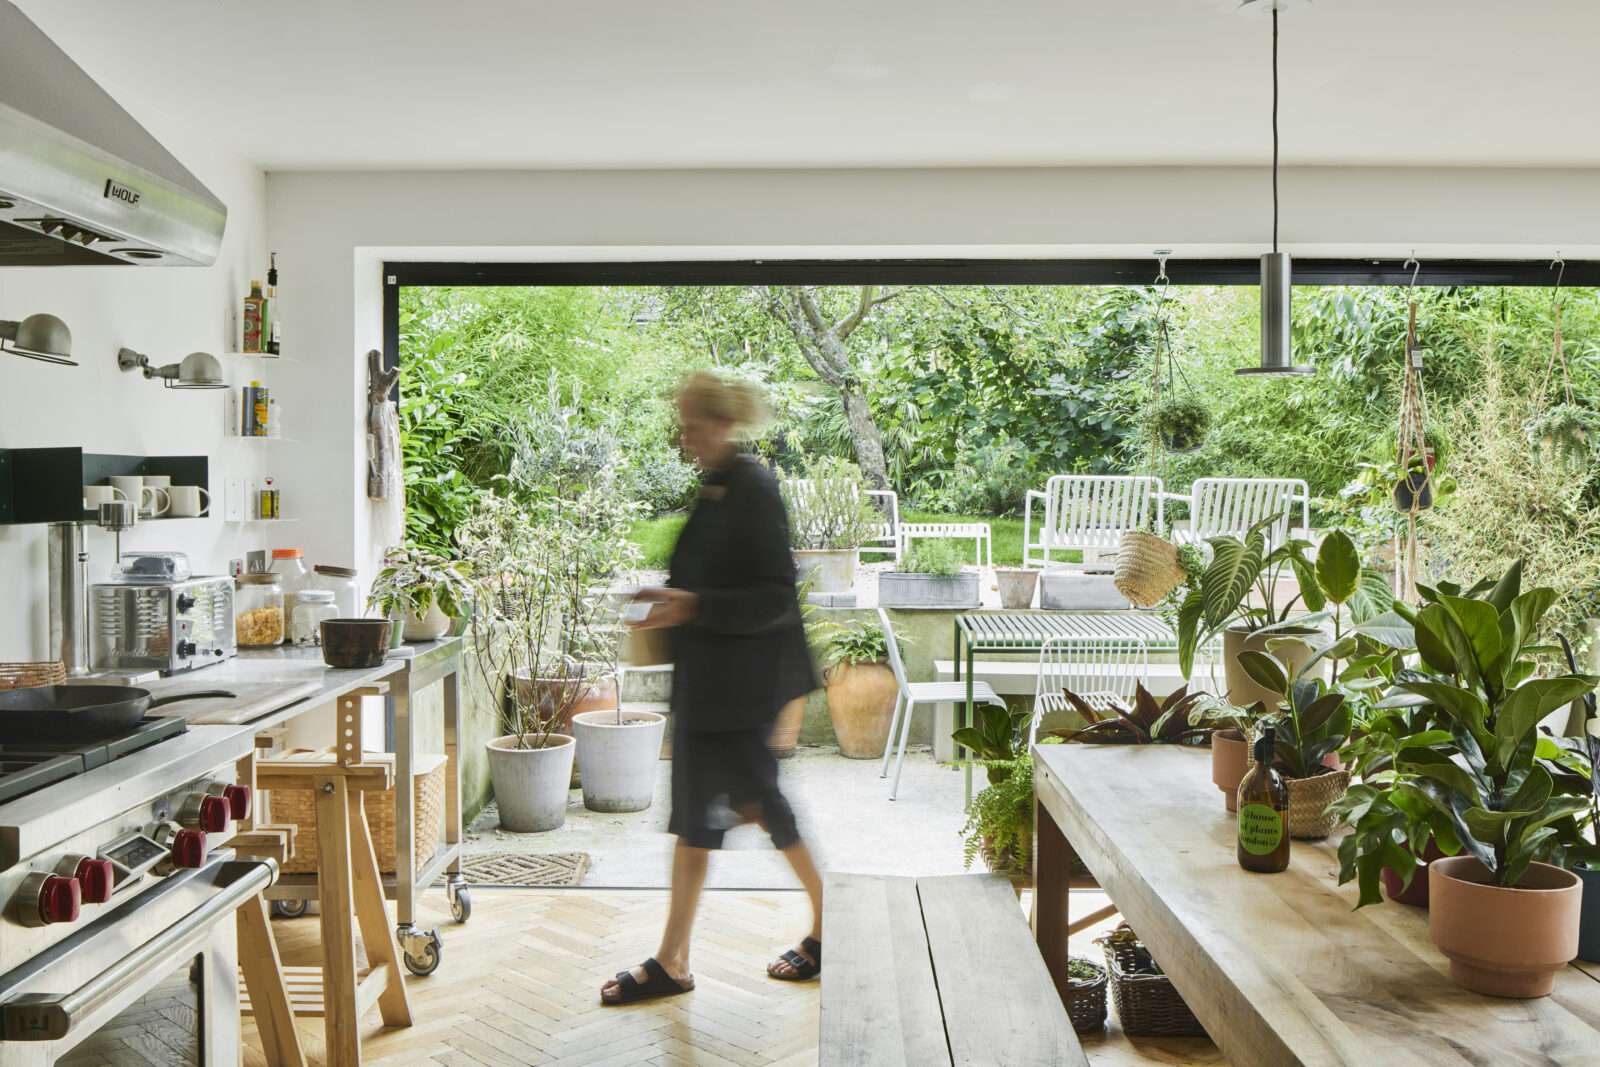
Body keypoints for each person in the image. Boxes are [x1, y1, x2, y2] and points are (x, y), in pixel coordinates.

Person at [601, 371, 823, 1006]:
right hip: (710, 688)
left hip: (741, 691)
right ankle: (674, 958)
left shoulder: (752, 487)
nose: (683, 433)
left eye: (691, 422)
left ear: (723, 423)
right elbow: (707, 584)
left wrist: (691, 603)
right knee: (697, 818)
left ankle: (831, 923)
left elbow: (775, 598)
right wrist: (665, 597)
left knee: (760, 809)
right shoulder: (717, 486)